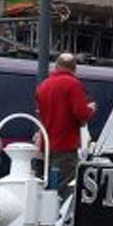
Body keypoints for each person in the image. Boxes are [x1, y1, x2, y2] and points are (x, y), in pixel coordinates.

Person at [35, 52, 97, 193]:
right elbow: (81, 113)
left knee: (49, 186)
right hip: (66, 145)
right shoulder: (74, 85)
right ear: (74, 68)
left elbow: (40, 113)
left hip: (46, 145)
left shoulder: (43, 86)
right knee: (65, 187)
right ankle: (59, 214)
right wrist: (91, 109)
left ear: (56, 66)